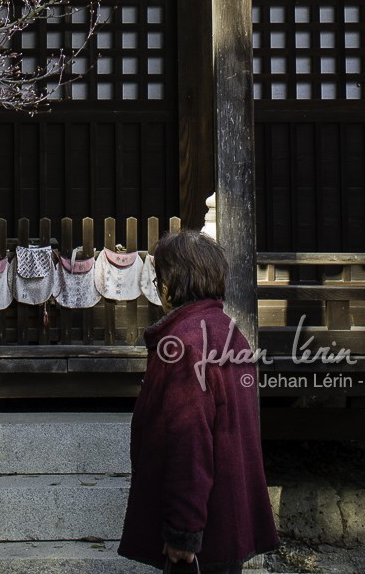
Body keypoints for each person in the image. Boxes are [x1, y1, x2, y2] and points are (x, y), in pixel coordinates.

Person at [118, 229, 278, 574]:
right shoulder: (229, 332)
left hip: (203, 532)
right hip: (226, 518)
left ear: (169, 285)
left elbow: (189, 439)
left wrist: (184, 531)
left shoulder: (183, 344)